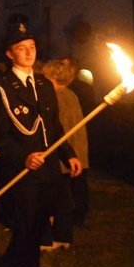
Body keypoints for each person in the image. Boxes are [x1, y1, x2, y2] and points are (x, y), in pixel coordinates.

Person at [0, 26, 82, 267]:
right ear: (9, 54)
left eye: (31, 46)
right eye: (21, 48)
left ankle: (7, 264)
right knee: (30, 233)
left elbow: (53, 127)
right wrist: (23, 157)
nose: (29, 52)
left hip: (49, 170)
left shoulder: (43, 84)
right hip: (24, 172)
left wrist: (69, 154)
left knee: (39, 226)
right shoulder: (3, 89)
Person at [40, 60, 89, 250]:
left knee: (56, 197)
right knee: (64, 197)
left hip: (61, 156)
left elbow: (57, 129)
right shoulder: (71, 95)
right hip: (72, 155)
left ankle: (54, 236)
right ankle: (63, 236)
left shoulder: (57, 97)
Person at [61, 56, 95, 225]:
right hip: (67, 135)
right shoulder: (63, 89)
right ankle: (69, 209)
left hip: (77, 134)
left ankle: (80, 211)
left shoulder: (80, 89)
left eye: (64, 67)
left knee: (78, 178)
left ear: (72, 70)